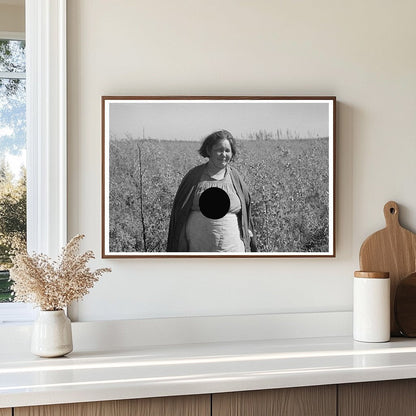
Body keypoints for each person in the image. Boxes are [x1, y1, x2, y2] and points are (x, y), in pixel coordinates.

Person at [167, 130, 257, 252]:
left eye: (227, 150)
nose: (223, 154)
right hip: (198, 250)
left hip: (231, 249)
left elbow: (246, 212)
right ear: (209, 150)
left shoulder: (236, 177)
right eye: (219, 150)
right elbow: (180, 212)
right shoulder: (194, 177)